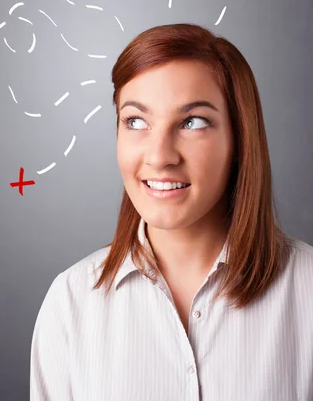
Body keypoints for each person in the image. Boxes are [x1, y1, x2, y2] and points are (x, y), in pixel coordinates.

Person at [30, 23, 313, 401]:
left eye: (192, 122)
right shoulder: (71, 302)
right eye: (136, 121)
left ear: (239, 139)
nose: (160, 156)